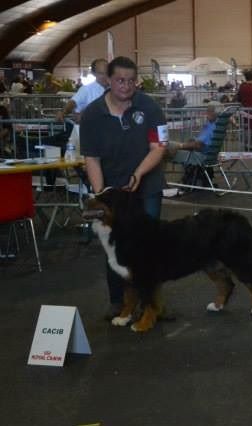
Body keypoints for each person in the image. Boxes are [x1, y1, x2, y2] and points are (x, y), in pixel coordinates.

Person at [80, 56, 169, 319]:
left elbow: (159, 147)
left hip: (147, 185)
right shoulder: (93, 114)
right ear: (108, 80)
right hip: (112, 191)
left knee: (148, 247)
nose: (126, 86)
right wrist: (101, 195)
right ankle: (118, 301)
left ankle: (152, 304)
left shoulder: (150, 107)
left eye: (131, 81)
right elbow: (92, 158)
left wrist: (140, 172)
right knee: (114, 246)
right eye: (120, 80)